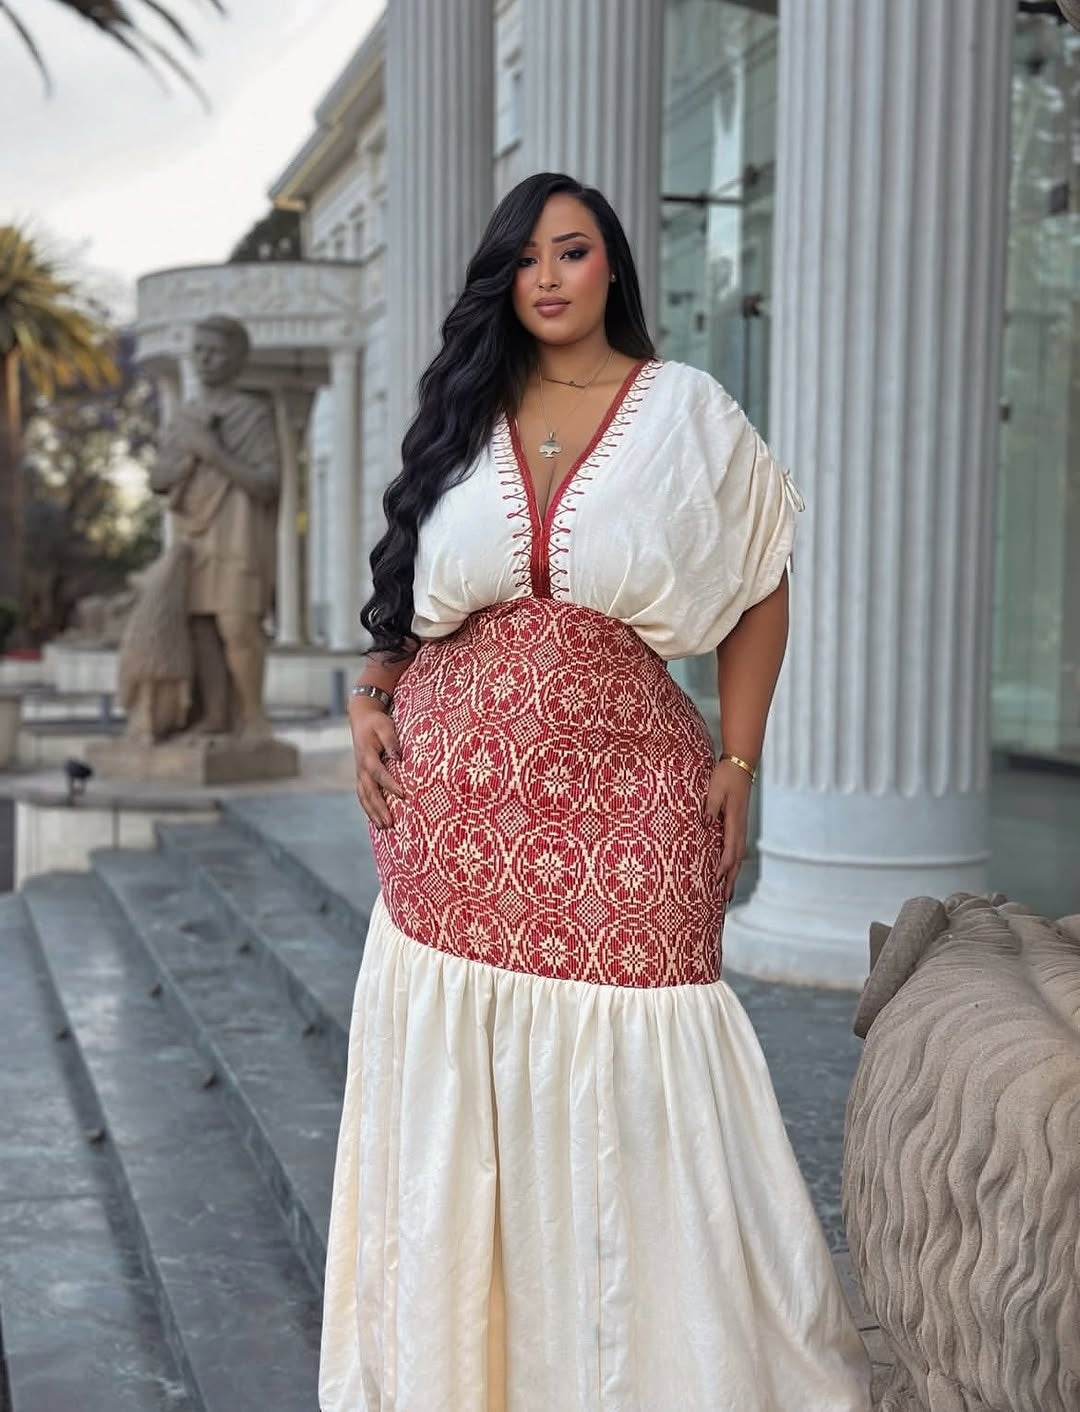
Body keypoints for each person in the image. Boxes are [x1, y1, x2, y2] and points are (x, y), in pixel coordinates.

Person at [320, 172, 871, 1412]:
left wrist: (738, 761)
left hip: (633, 807)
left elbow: (762, 578)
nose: (550, 276)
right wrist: (366, 694)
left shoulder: (690, 412)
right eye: (525, 258)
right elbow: (410, 602)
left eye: (571, 251)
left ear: (612, 263)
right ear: (504, 281)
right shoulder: (466, 410)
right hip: (451, 825)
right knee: (462, 1116)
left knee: (649, 1088)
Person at [146, 315, 280, 740]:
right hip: (195, 536)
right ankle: (216, 718)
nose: (204, 359)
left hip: (238, 535)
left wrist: (214, 451)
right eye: (199, 349)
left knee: (237, 626)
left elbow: (267, 483)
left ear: (237, 359)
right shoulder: (185, 416)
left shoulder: (252, 414)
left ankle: (254, 720)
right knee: (201, 627)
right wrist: (181, 461)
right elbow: (158, 479)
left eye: (215, 351)